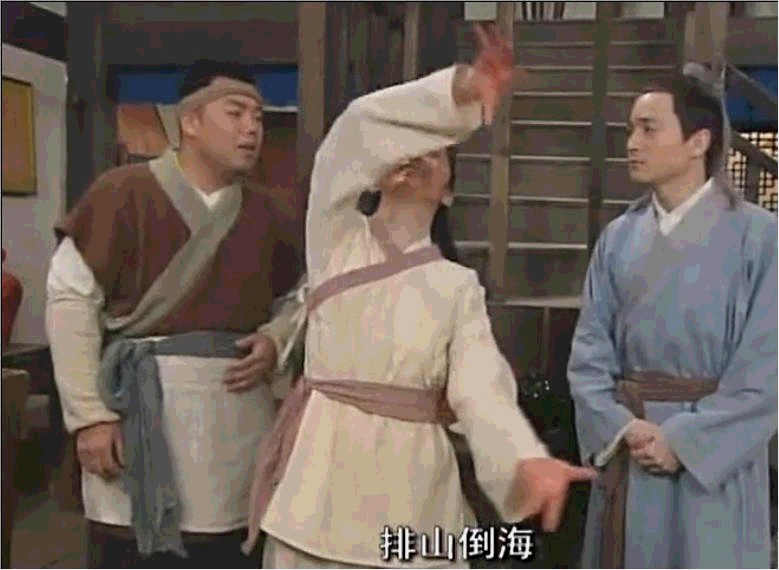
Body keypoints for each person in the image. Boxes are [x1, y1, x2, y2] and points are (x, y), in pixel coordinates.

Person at [240, 26, 597, 569]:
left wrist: (524, 459)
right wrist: (459, 94)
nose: (418, 155)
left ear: (449, 190)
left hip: (412, 500)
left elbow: (482, 390)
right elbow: (354, 130)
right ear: (378, 169)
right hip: (317, 486)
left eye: (438, 151)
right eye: (407, 146)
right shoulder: (335, 238)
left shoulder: (456, 287)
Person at [45, 60, 303, 568]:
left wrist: (276, 338)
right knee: (133, 550)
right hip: (137, 408)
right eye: (236, 113)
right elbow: (70, 302)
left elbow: (300, 296)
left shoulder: (271, 213)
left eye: (258, 116)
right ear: (190, 121)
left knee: (229, 548)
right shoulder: (120, 193)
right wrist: (90, 418)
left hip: (233, 415)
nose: (252, 128)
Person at [568, 71, 777, 569]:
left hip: (714, 464)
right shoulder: (618, 238)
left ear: (698, 141)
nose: (632, 143)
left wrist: (684, 441)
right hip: (631, 447)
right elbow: (589, 355)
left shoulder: (760, 237)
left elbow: (766, 368)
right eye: (630, 130)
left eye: (648, 128)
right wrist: (622, 427)